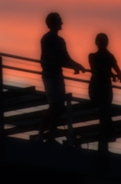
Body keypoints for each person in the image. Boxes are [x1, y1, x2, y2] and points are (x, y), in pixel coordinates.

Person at [37, 12, 85, 143]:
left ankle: (50, 137)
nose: (62, 23)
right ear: (53, 23)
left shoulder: (61, 41)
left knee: (59, 107)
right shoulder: (46, 39)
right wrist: (72, 65)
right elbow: (53, 58)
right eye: (59, 20)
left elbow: (66, 57)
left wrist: (77, 65)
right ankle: (41, 134)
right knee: (54, 106)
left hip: (58, 75)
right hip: (50, 75)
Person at [88, 32, 121, 165]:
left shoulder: (110, 56)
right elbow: (97, 70)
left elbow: (118, 70)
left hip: (105, 89)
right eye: (101, 40)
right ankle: (105, 140)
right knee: (105, 111)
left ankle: (104, 143)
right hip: (97, 89)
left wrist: (118, 75)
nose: (103, 42)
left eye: (104, 40)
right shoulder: (93, 56)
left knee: (105, 112)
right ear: (97, 42)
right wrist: (113, 74)